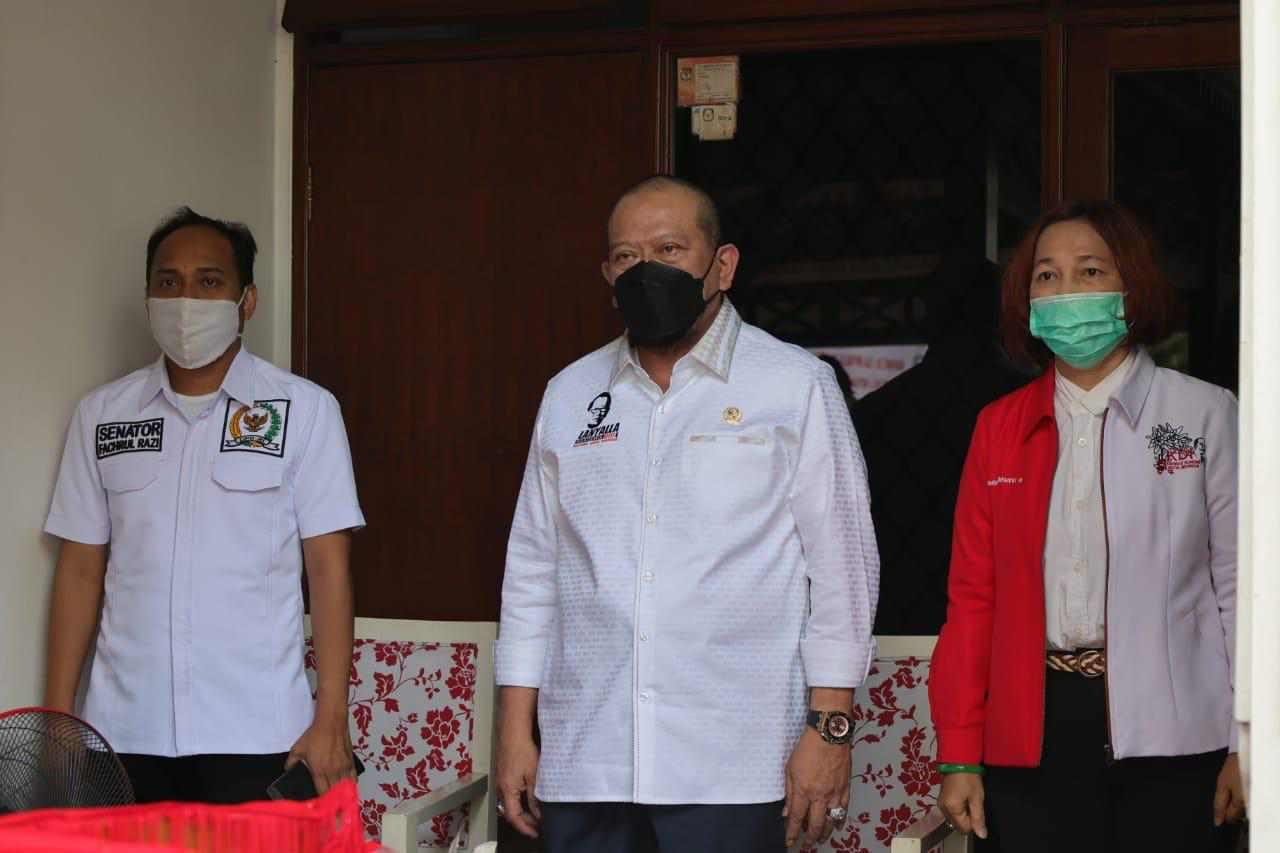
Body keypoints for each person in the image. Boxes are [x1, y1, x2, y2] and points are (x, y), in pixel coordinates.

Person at [493, 175, 880, 852]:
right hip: (589, 755)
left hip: (733, 764)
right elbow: (532, 570)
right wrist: (514, 728)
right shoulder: (570, 394)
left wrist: (830, 730)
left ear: (722, 265)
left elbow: (843, 571)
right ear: (608, 275)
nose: (646, 269)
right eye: (626, 256)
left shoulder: (794, 386)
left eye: (669, 249)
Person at [930, 200, 1244, 852]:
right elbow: (973, 599)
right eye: (1046, 275)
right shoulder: (999, 427)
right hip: (1032, 732)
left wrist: (1252, 737)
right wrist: (959, 751)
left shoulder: (1205, 414)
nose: (1066, 290)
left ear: (1133, 285)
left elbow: (1242, 587)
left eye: (1090, 271)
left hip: (1179, 734)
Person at [42, 208, 365, 803]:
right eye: (168, 282)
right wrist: (58, 719)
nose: (185, 300)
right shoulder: (103, 415)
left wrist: (331, 717)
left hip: (260, 732)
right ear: (148, 297)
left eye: (209, 281)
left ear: (247, 301)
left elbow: (328, 569)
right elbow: (81, 568)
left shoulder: (303, 411)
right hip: (123, 733)